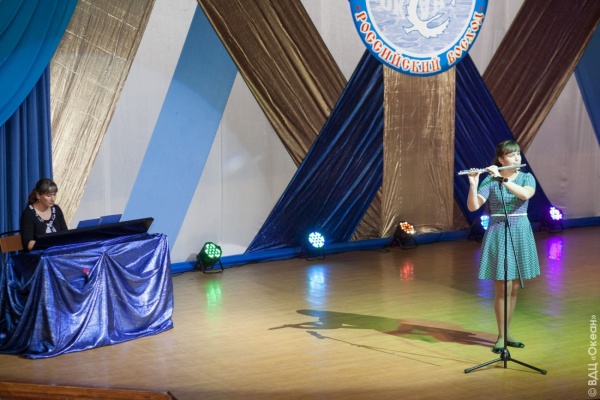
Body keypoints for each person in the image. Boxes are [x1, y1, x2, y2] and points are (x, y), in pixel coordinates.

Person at [466, 140, 540, 354]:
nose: (517, 158)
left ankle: (507, 333)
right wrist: (473, 183)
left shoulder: (527, 177)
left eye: (518, 154)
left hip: (520, 230)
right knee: (502, 287)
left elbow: (525, 194)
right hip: (498, 231)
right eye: (511, 154)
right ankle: (501, 336)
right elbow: (473, 206)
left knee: (514, 287)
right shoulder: (490, 180)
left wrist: (502, 178)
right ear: (501, 159)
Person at [20, 178, 68, 251]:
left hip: (56, 252)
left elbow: (65, 233)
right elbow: (28, 244)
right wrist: (49, 245)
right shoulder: (28, 214)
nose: (53, 199)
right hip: (39, 254)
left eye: (54, 195)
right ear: (38, 195)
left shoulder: (56, 209)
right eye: (48, 195)